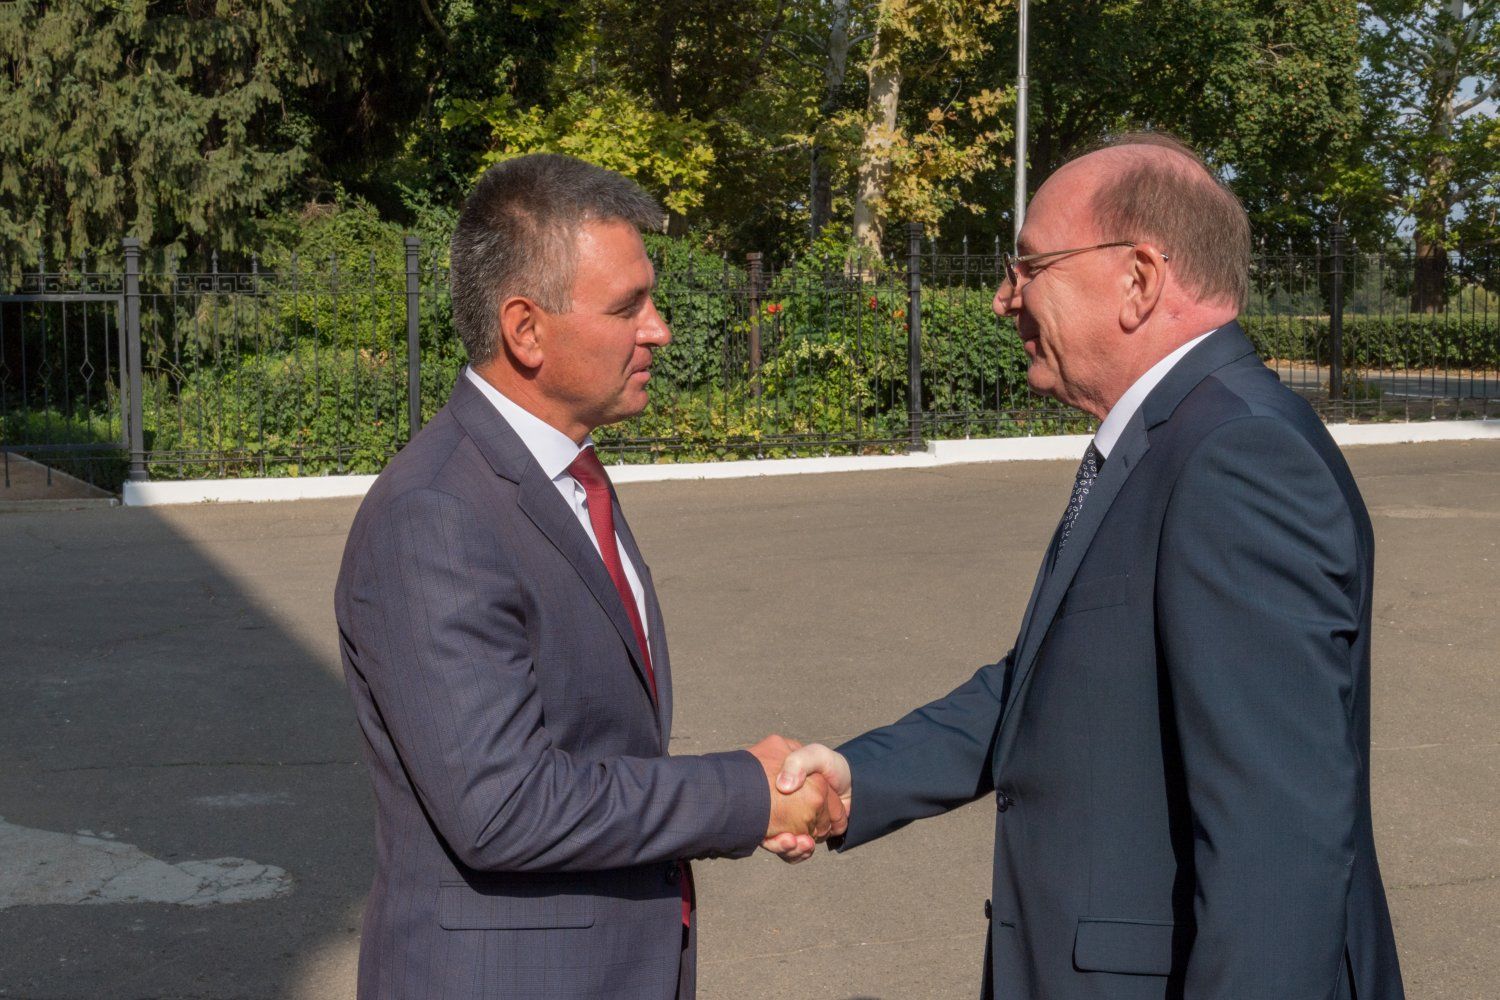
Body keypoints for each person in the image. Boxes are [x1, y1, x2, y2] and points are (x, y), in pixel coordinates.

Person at [771, 133, 1405, 999]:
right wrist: (861, 777)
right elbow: (1058, 680)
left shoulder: (1237, 455)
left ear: (1138, 279)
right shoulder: (1170, 435)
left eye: (1030, 267)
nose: (1004, 298)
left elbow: (1278, 847)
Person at [334, 153, 844, 1000]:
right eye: (627, 306)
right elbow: (505, 805)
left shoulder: (563, 474)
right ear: (525, 330)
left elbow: (601, 742)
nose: (659, 329)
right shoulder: (436, 513)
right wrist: (746, 794)